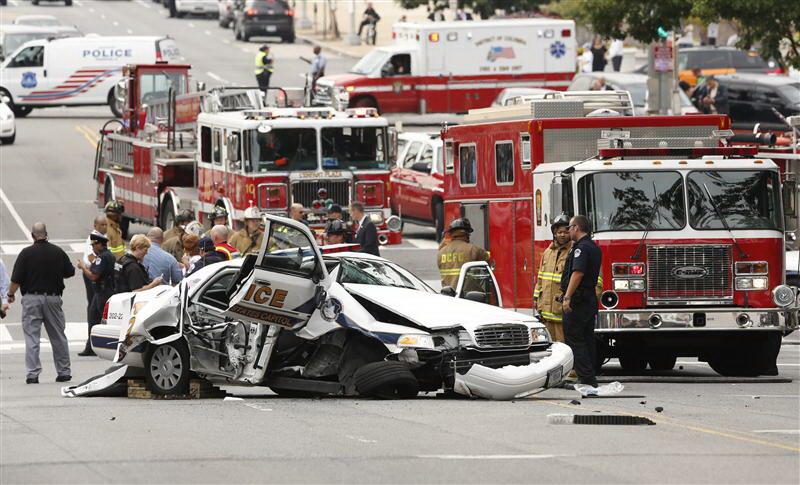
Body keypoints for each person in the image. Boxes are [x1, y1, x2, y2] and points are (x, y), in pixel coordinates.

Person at [7, 223, 75, 384]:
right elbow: (70, 272)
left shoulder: (26, 254)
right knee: (58, 336)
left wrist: (10, 294)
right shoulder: (58, 252)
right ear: (46, 234)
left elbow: (16, 279)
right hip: (53, 298)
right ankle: (64, 371)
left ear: (32, 236)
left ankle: (32, 374)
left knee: (32, 337)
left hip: (31, 298)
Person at [560, 215, 602, 387]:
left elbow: (578, 273)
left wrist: (567, 297)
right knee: (586, 338)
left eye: (569, 228)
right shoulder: (593, 247)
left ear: (576, 228)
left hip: (578, 301)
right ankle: (590, 375)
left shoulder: (581, 248)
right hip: (589, 299)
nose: (568, 231)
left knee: (574, 338)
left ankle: (586, 378)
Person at [75, 233, 115, 357]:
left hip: (103, 293)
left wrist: (82, 267)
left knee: (98, 320)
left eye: (94, 244)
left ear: (100, 244)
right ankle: (92, 346)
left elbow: (93, 276)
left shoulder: (102, 257)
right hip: (103, 292)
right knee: (95, 319)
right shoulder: (108, 256)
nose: (92, 247)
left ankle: (100, 347)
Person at [533, 216, 572, 342]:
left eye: (566, 232)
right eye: (559, 232)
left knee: (564, 348)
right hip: (546, 312)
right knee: (549, 347)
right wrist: (536, 299)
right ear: (554, 233)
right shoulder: (547, 252)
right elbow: (540, 278)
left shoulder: (573, 252)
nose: (562, 235)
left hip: (562, 312)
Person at [437, 218, 489, 289]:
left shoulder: (441, 252)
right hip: (468, 296)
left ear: (451, 233)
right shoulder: (473, 249)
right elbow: (488, 258)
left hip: (448, 295)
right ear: (466, 233)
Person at [80, 215, 107, 333]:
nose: (104, 227)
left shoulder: (103, 237)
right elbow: (89, 257)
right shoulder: (93, 238)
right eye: (102, 224)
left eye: (106, 224)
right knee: (93, 303)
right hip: (92, 273)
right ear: (95, 225)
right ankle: (92, 330)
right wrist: (99, 265)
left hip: (98, 273)